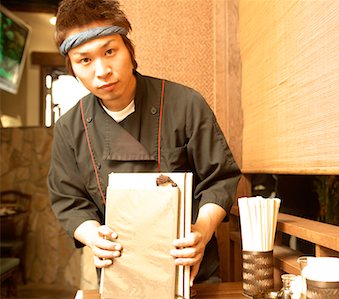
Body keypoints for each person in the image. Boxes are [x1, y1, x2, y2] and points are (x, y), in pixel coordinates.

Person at [47, 0, 241, 285]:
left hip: (191, 271)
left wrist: (202, 229)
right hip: (118, 274)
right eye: (85, 60)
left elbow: (219, 179)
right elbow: (69, 201)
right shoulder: (69, 128)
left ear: (130, 51)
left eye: (110, 51)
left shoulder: (186, 104)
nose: (102, 71)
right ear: (73, 68)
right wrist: (92, 236)